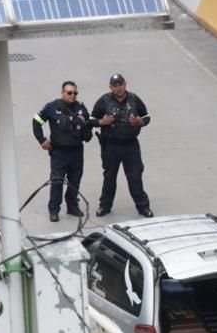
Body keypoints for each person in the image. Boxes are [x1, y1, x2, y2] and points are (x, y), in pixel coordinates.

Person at [90, 74, 153, 218]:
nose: (118, 88)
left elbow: (147, 116)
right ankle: (104, 206)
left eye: (121, 84)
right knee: (109, 177)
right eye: (115, 85)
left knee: (135, 177)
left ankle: (143, 207)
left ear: (125, 84)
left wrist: (140, 122)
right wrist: (102, 122)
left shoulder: (134, 99)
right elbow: (91, 119)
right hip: (111, 145)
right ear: (110, 87)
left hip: (131, 145)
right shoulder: (103, 100)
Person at [32, 81, 92, 222]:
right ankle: (54, 210)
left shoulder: (81, 109)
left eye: (75, 93)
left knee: (74, 181)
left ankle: (72, 207)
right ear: (62, 92)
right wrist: (41, 140)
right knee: (57, 181)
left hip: (77, 152)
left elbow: (88, 126)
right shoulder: (52, 107)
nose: (72, 96)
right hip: (59, 153)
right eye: (69, 93)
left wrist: (86, 126)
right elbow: (36, 121)